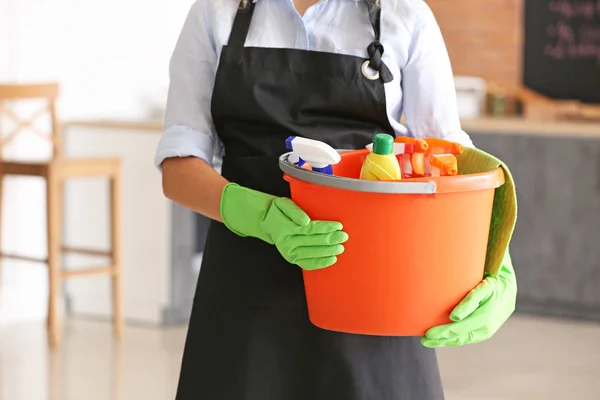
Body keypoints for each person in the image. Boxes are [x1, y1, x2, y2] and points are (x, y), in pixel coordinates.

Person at [155, 0, 516, 398]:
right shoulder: (217, 11)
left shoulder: (404, 15)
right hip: (247, 295)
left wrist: (497, 260)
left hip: (377, 293)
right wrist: (260, 215)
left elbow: (452, 160)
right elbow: (179, 167)